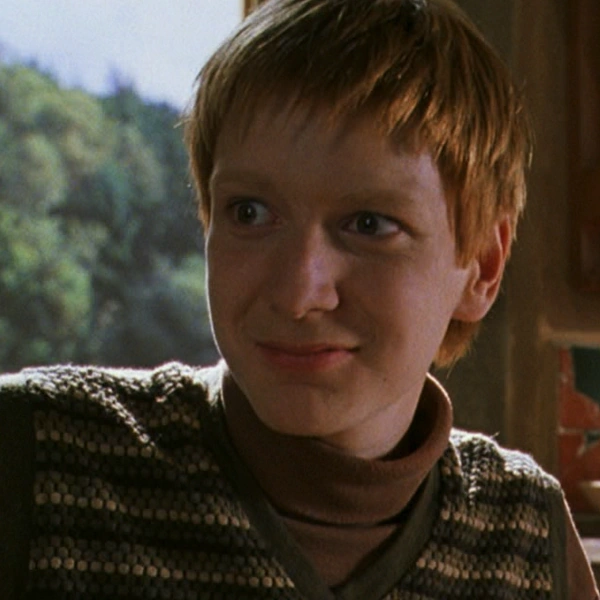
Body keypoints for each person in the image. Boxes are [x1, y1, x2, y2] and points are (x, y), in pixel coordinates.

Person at [0, 0, 598, 598]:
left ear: (482, 268)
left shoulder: (526, 537)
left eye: (369, 224)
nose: (297, 293)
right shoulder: (41, 457)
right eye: (250, 213)